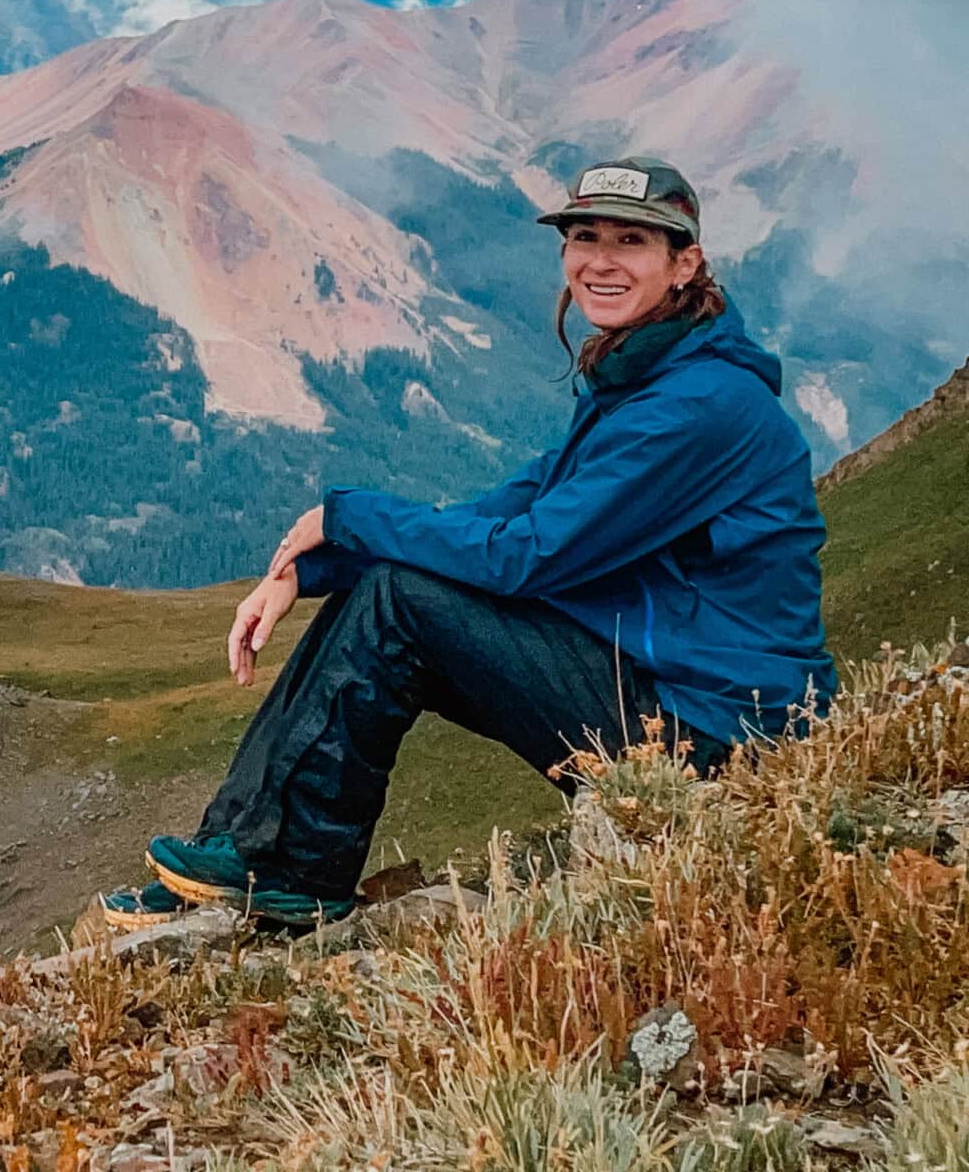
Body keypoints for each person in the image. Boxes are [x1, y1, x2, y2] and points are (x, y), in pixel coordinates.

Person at [100, 155, 834, 929]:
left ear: (684, 263)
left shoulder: (698, 406)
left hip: (718, 738)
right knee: (388, 583)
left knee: (399, 602)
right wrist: (315, 564)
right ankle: (250, 857)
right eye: (585, 237)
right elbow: (511, 504)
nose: (601, 261)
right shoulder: (653, 372)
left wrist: (342, 515)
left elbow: (527, 555)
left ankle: (281, 869)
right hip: (671, 693)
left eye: (633, 241)